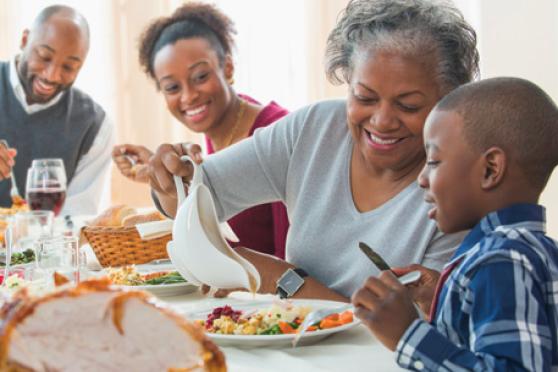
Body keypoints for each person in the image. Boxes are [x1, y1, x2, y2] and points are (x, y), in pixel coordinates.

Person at [147, 0, 479, 301]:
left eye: (407, 105)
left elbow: (406, 333)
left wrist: (277, 277)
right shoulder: (315, 129)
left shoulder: (460, 194)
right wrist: (169, 181)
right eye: (364, 98)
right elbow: (196, 195)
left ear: (448, 102)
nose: (382, 121)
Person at [352, 77, 558, 370]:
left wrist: (408, 334)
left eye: (433, 162)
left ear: (490, 169)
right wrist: (446, 299)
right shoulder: (533, 252)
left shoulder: (500, 260)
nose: (422, 178)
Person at [112, 3, 290, 259]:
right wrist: (162, 175)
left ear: (227, 67)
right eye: (172, 87)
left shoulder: (276, 135)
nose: (189, 96)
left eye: (200, 76)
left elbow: (293, 258)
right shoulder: (216, 133)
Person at [0, 5, 114, 215]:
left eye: (69, 67)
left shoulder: (94, 125)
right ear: (24, 40)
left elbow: (76, 217)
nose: (52, 76)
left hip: (46, 246)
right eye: (44, 56)